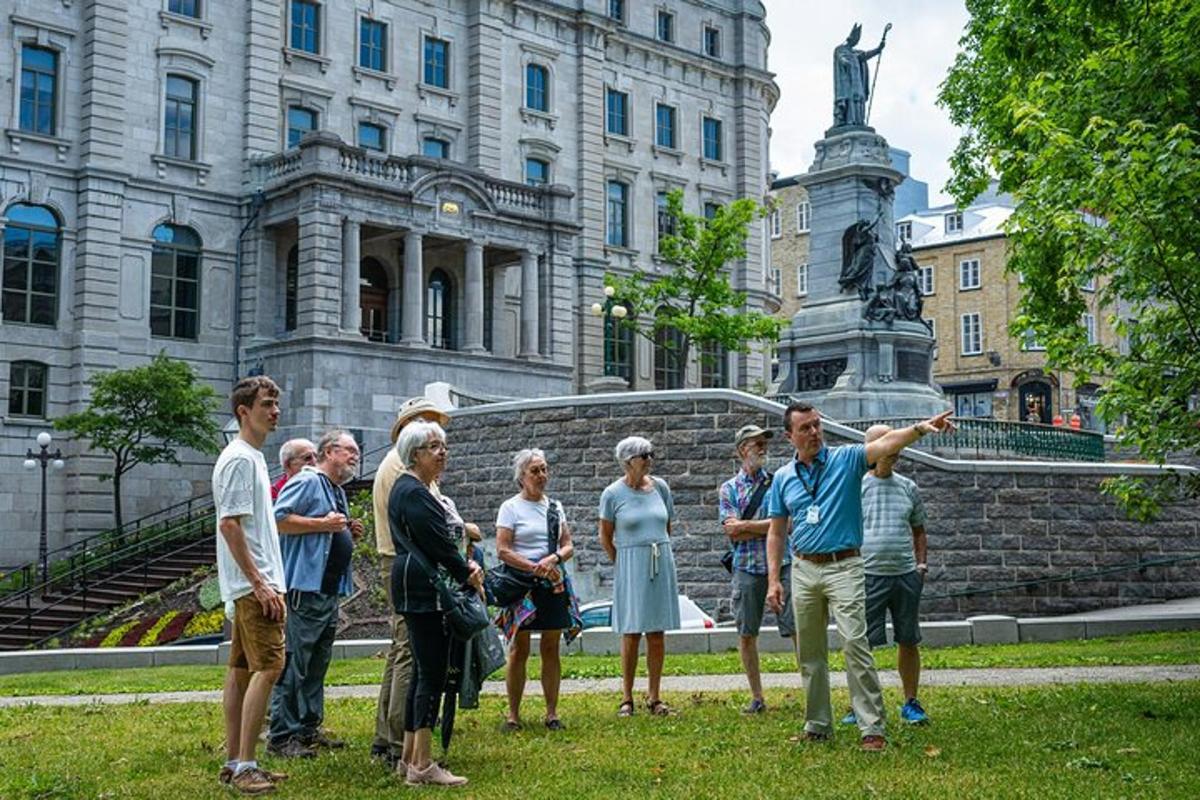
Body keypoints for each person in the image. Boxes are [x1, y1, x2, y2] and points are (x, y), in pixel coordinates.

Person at [765, 402, 955, 752]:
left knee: (855, 642)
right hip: (804, 568)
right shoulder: (782, 478)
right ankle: (818, 724)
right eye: (805, 428)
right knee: (809, 652)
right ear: (789, 435)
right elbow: (776, 532)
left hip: (846, 565)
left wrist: (921, 428)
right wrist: (774, 579)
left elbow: (885, 445)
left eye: (818, 425)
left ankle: (872, 727)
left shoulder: (846, 459)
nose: (814, 433)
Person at [389, 420, 483, 787]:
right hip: (424, 587)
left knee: (422, 673)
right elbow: (440, 545)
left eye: (443, 446)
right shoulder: (414, 492)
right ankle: (423, 765)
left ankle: (410, 758)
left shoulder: (411, 488)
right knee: (432, 674)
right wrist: (468, 573)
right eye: (433, 447)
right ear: (415, 453)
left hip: (414, 583)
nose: (442, 453)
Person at [213, 376, 288, 795]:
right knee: (269, 666)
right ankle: (246, 765)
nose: (274, 411)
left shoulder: (252, 457)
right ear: (243, 411)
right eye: (266, 404)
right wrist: (261, 583)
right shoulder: (241, 459)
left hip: (248, 584)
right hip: (254, 585)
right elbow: (230, 525)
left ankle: (234, 760)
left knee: (241, 669)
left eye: (276, 403)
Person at [267, 430, 363, 758]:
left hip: (328, 590)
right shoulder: (308, 480)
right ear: (328, 452)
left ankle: (307, 729)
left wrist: (346, 531)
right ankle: (281, 737)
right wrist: (323, 524)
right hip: (304, 591)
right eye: (349, 450)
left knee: (317, 665)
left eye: (356, 451)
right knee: (296, 663)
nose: (355, 455)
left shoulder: (335, 489)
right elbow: (279, 519)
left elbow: (327, 529)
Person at [370, 398, 451, 770]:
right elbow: (424, 529)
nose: (439, 443)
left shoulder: (409, 474)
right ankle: (400, 739)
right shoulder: (402, 473)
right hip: (407, 565)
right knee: (410, 653)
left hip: (403, 563)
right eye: (429, 429)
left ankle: (392, 736)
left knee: (402, 649)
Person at [841, 424, 930, 727]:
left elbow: (919, 531)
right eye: (884, 446)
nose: (891, 452)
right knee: (860, 643)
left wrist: (921, 566)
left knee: (908, 639)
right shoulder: (856, 487)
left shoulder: (908, 487)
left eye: (894, 447)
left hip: (905, 574)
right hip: (868, 575)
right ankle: (860, 703)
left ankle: (911, 702)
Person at [599, 436, 681, 718]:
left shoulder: (661, 488)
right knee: (631, 632)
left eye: (650, 454)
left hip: (659, 560)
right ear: (627, 461)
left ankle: (655, 696)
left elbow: (667, 525)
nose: (649, 459)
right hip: (630, 563)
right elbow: (605, 535)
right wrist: (623, 562)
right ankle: (627, 697)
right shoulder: (612, 494)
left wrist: (655, 551)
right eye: (643, 455)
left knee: (656, 632)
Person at [495, 448, 577, 731]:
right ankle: (513, 715)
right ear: (522, 476)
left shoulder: (555, 506)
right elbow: (503, 550)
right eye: (535, 471)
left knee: (551, 647)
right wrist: (532, 566)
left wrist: (553, 558)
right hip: (521, 585)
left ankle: (552, 713)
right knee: (519, 648)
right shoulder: (510, 508)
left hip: (552, 583)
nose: (542, 475)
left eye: (544, 469)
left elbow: (568, 545)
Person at [718, 424, 795, 714]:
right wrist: (767, 526)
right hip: (746, 567)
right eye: (755, 443)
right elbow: (730, 531)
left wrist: (746, 526)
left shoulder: (778, 482)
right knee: (747, 631)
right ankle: (757, 696)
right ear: (741, 450)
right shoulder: (728, 489)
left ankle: (810, 686)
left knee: (796, 626)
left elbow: (786, 525)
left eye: (764, 443)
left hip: (783, 565)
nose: (762, 448)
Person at [832, 23, 888, 127]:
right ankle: (849, 121)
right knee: (850, 99)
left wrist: (878, 49)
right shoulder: (840, 49)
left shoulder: (856, 52)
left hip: (857, 81)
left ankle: (858, 121)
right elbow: (840, 57)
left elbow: (865, 55)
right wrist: (845, 61)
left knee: (859, 98)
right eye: (855, 39)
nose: (856, 42)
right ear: (851, 38)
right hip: (847, 81)